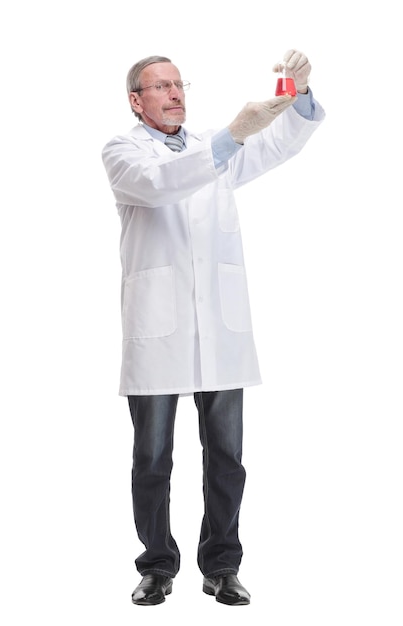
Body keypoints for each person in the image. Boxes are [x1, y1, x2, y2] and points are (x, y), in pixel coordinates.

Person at [102, 50, 325, 606]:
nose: (176, 93)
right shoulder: (123, 151)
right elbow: (158, 183)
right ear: (137, 99)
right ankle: (157, 566)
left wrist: (297, 95)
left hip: (219, 330)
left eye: (180, 84)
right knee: (152, 458)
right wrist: (229, 136)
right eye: (161, 86)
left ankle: (222, 564)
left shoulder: (212, 147)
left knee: (227, 455)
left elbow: (277, 146)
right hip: (159, 329)